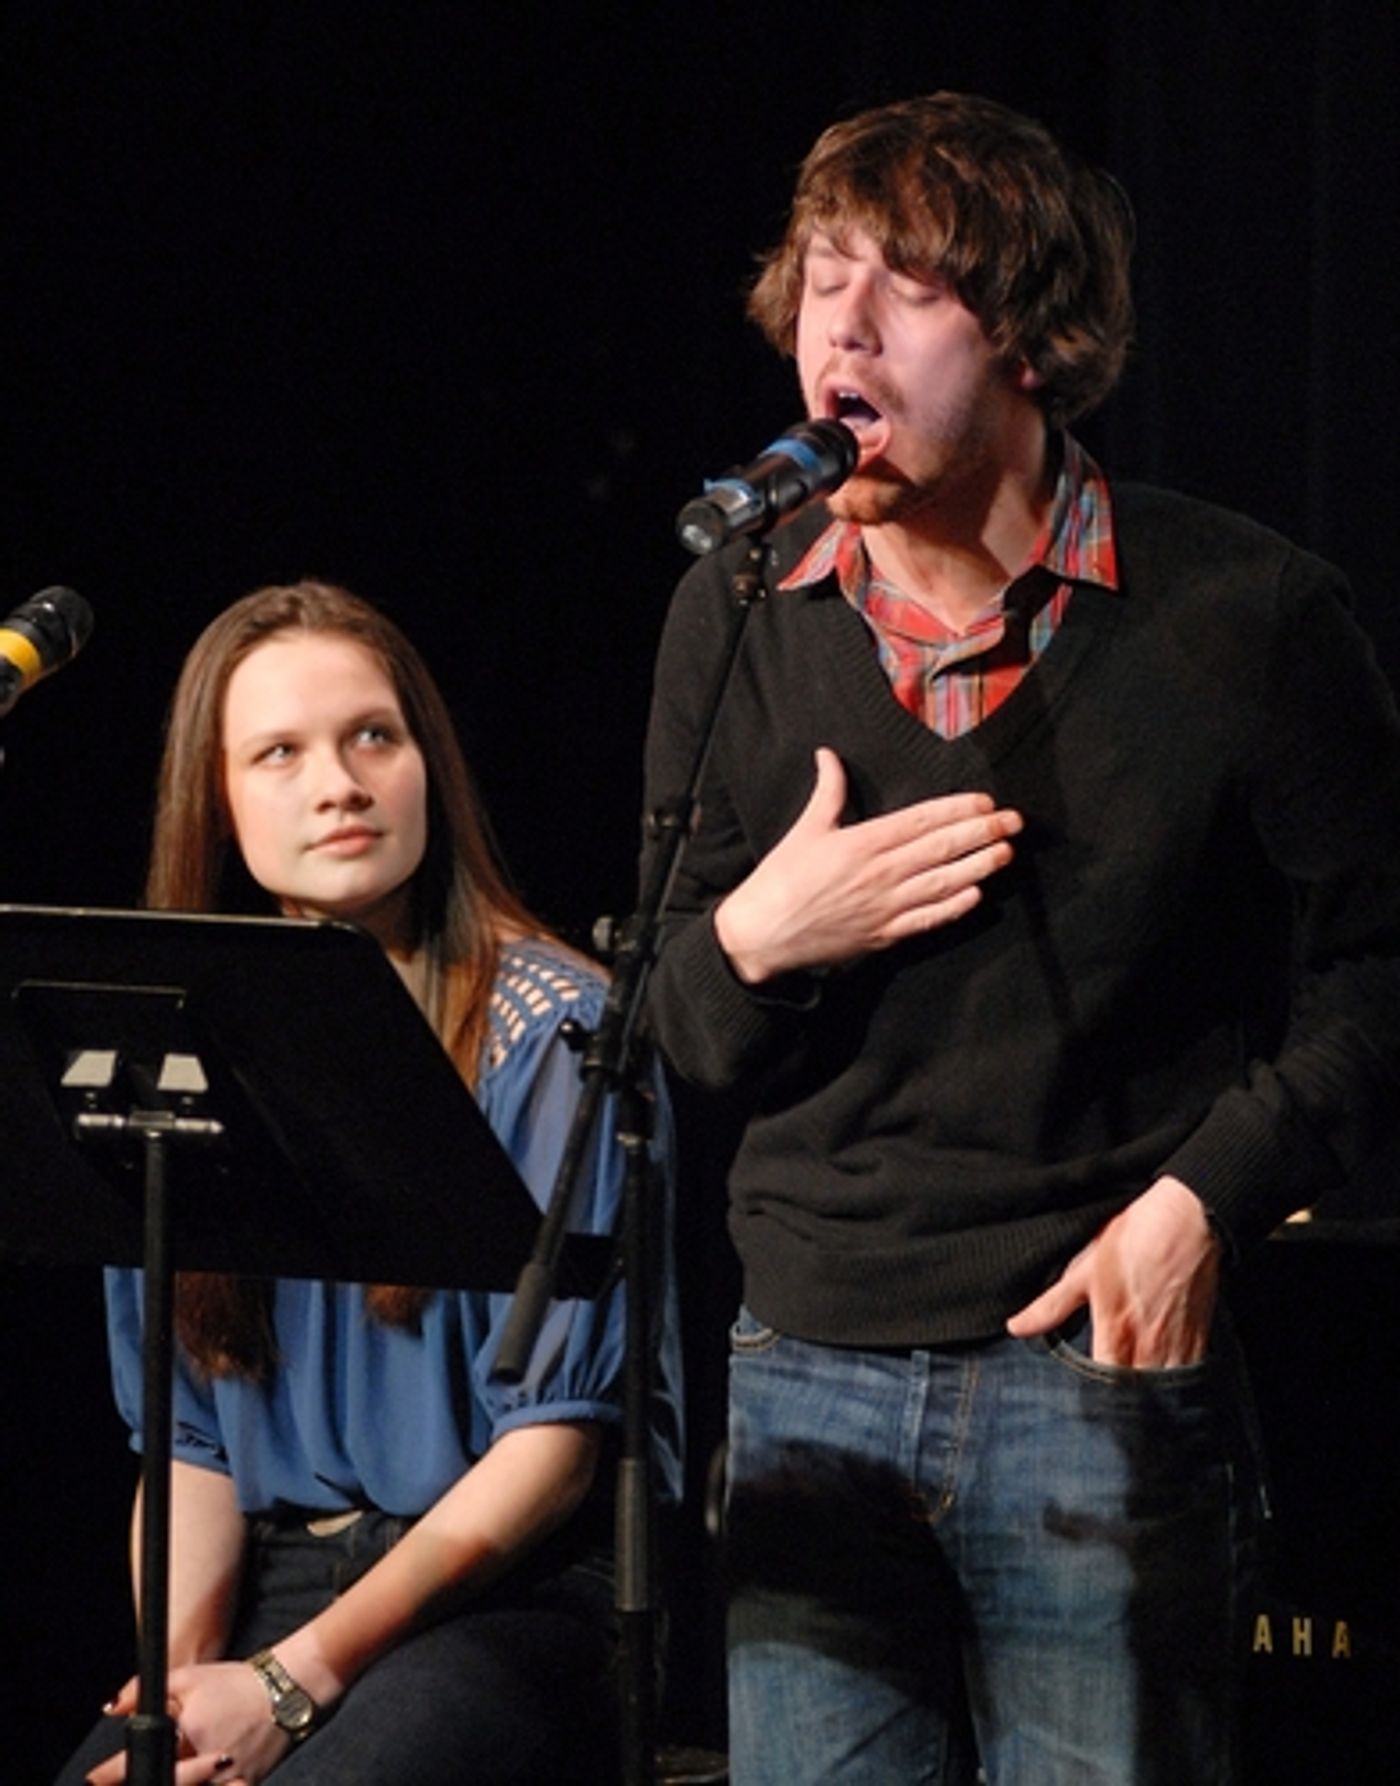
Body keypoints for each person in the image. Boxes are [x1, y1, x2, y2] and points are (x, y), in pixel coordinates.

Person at [640, 91, 1400, 1785]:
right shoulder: (738, 609)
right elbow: (673, 1025)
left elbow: (1380, 970)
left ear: (1034, 341)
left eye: (905, 284)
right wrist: (763, 936)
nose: (841, 328)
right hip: (806, 1374)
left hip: (1093, 1365)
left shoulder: (1248, 617)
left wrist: (1201, 1205)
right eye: (822, 278)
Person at [58, 580, 682, 1786]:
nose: (338, 783)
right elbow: (190, 1443)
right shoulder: (170, 1051)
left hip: (504, 1592)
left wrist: (289, 1683)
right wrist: (179, 1693)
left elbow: (554, 1448)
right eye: (279, 753)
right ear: (217, 798)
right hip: (278, 1577)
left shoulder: (560, 1035)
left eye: (373, 738)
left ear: (427, 766)